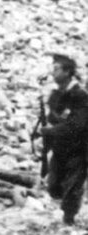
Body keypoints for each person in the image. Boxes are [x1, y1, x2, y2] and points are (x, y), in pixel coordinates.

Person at [37, 52, 88, 225]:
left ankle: (69, 219)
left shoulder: (80, 95)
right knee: (54, 186)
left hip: (78, 148)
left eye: (57, 69)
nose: (53, 73)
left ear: (67, 72)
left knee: (73, 185)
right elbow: (52, 117)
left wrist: (52, 131)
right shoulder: (56, 94)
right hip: (60, 146)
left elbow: (78, 124)